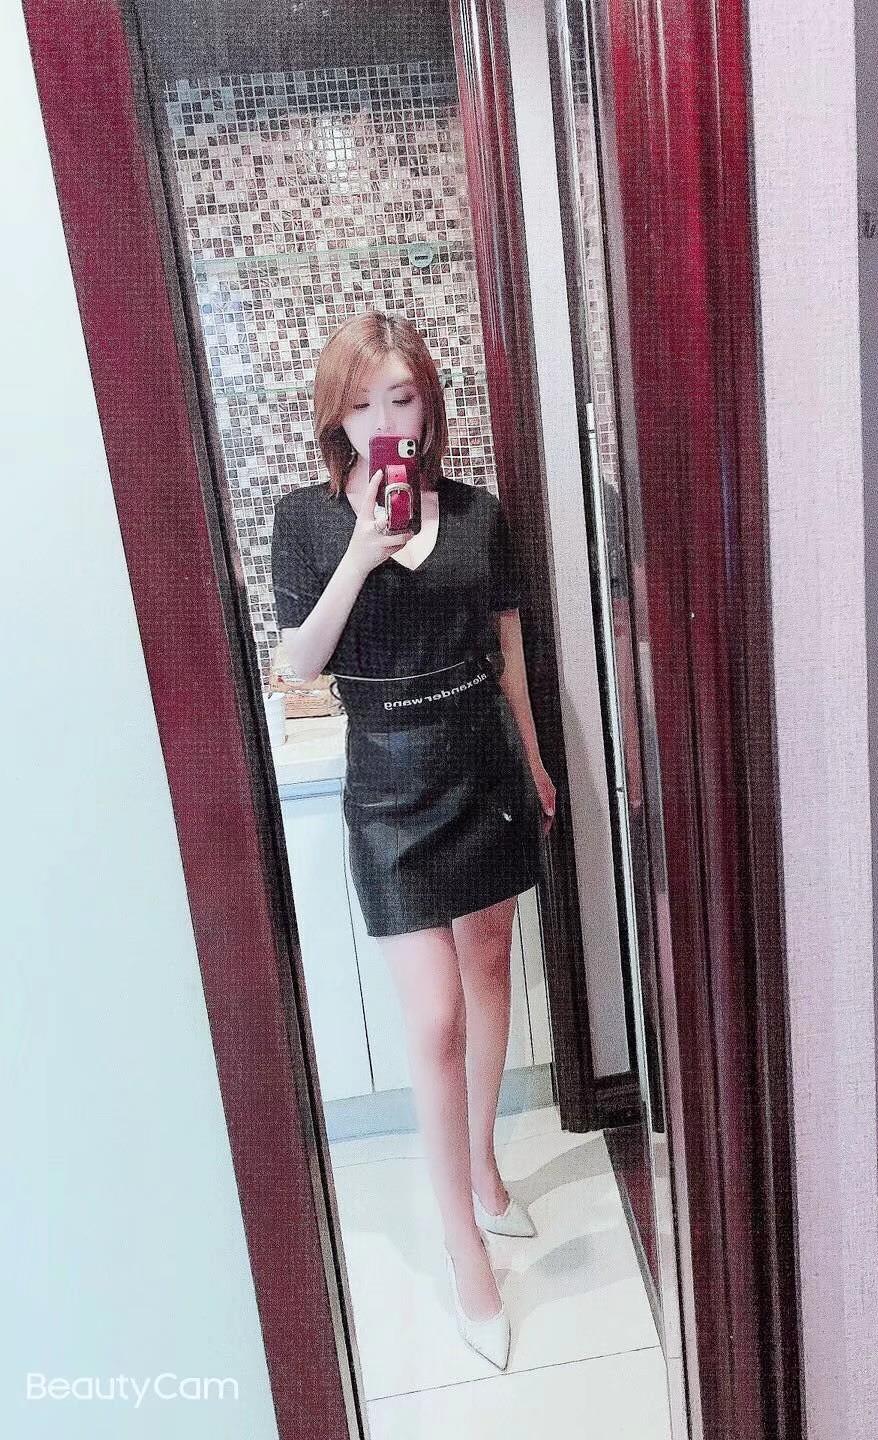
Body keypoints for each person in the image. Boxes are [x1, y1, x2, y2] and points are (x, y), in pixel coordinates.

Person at [270, 311, 556, 1371]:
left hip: (483, 760)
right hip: (389, 784)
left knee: (492, 967)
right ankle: (460, 1245)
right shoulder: (305, 521)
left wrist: (534, 760)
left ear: (428, 403)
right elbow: (299, 663)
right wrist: (361, 553)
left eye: (401, 398)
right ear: (336, 416)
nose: (385, 420)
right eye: (362, 403)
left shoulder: (478, 513)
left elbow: (509, 655)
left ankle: (482, 1169)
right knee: (433, 1016)